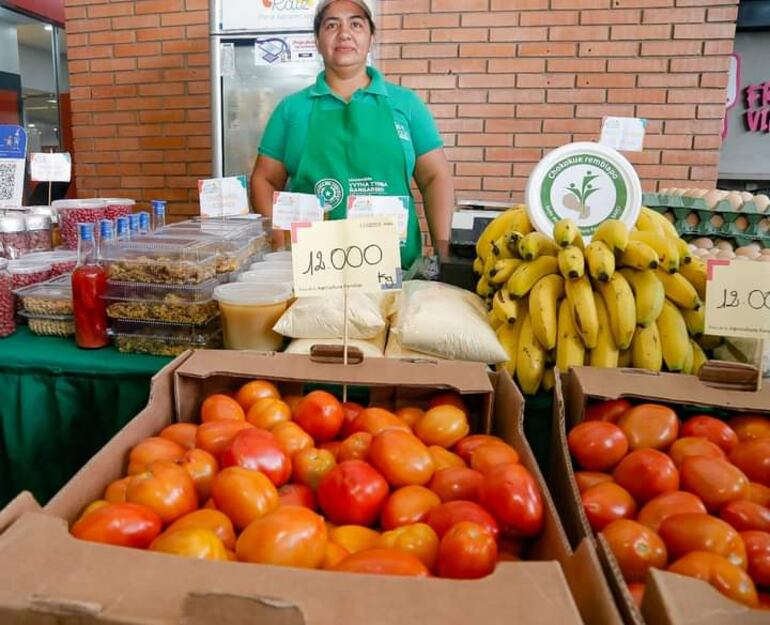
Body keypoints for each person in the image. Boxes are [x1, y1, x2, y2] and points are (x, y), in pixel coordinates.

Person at [250, 0, 454, 269]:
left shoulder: (406, 104)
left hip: (396, 270)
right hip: (312, 271)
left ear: (371, 37)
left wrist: (444, 251)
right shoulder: (291, 110)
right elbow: (264, 179)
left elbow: (435, 177)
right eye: (331, 25)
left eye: (356, 24)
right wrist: (277, 236)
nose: (344, 33)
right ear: (317, 40)